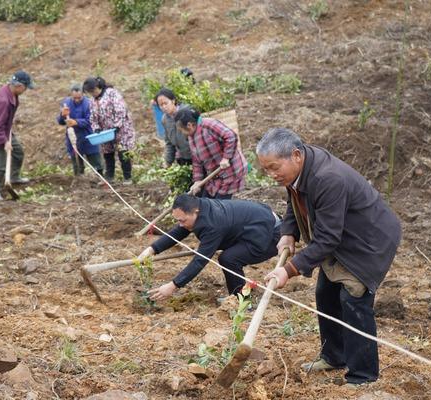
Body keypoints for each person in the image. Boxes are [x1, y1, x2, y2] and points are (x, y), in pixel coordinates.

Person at [256, 128, 402, 387]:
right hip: (342, 237)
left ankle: (363, 376)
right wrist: (288, 232)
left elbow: (327, 240)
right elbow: (294, 199)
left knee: (353, 300)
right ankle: (334, 356)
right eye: (266, 169)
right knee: (326, 294)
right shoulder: (298, 172)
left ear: (296, 155)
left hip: (368, 241)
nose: (271, 175)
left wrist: (287, 270)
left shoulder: (327, 178)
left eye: (274, 167)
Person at [138, 194, 281, 301]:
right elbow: (179, 231)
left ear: (195, 211)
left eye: (182, 220)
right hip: (254, 226)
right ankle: (238, 297)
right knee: (228, 256)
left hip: (270, 235)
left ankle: (241, 300)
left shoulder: (212, 224)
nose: (180, 224)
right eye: (178, 220)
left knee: (228, 259)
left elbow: (200, 260)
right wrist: (152, 249)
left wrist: (173, 285)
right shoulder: (200, 207)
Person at [0, 70, 34, 200]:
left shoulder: (11, 92)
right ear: (19, 86)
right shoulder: (3, 101)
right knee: (0, 165)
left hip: (5, 129)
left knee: (18, 152)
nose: (26, 91)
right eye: (26, 88)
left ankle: (14, 177)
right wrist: (5, 142)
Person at [174, 107, 247, 200]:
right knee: (205, 202)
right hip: (216, 176)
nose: (182, 133)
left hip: (231, 172)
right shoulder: (191, 136)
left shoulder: (209, 125)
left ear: (189, 125)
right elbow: (197, 161)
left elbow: (231, 137)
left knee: (218, 207)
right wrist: (197, 181)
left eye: (181, 130)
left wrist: (226, 158)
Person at [83, 76, 136, 184]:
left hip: (121, 129)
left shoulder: (112, 93)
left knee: (123, 152)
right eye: (90, 92)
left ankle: (127, 177)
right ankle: (110, 176)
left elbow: (120, 109)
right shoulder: (92, 101)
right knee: (107, 153)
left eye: (93, 91)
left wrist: (116, 125)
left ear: (98, 87)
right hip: (105, 132)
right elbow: (92, 116)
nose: (92, 94)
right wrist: (96, 127)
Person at [57, 84, 103, 176]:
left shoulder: (89, 103)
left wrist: (76, 122)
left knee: (96, 162)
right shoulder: (66, 103)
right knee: (77, 165)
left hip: (88, 136)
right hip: (74, 138)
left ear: (83, 94)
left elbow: (91, 120)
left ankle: (101, 178)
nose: (77, 100)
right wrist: (62, 115)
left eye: (79, 98)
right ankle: (79, 181)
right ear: (71, 95)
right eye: (75, 98)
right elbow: (60, 121)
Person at [154, 88, 192, 168]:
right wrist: (168, 162)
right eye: (161, 105)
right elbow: (169, 143)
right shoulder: (165, 120)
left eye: (166, 103)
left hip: (197, 156)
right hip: (183, 159)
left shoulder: (186, 113)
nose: (164, 107)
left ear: (173, 101)